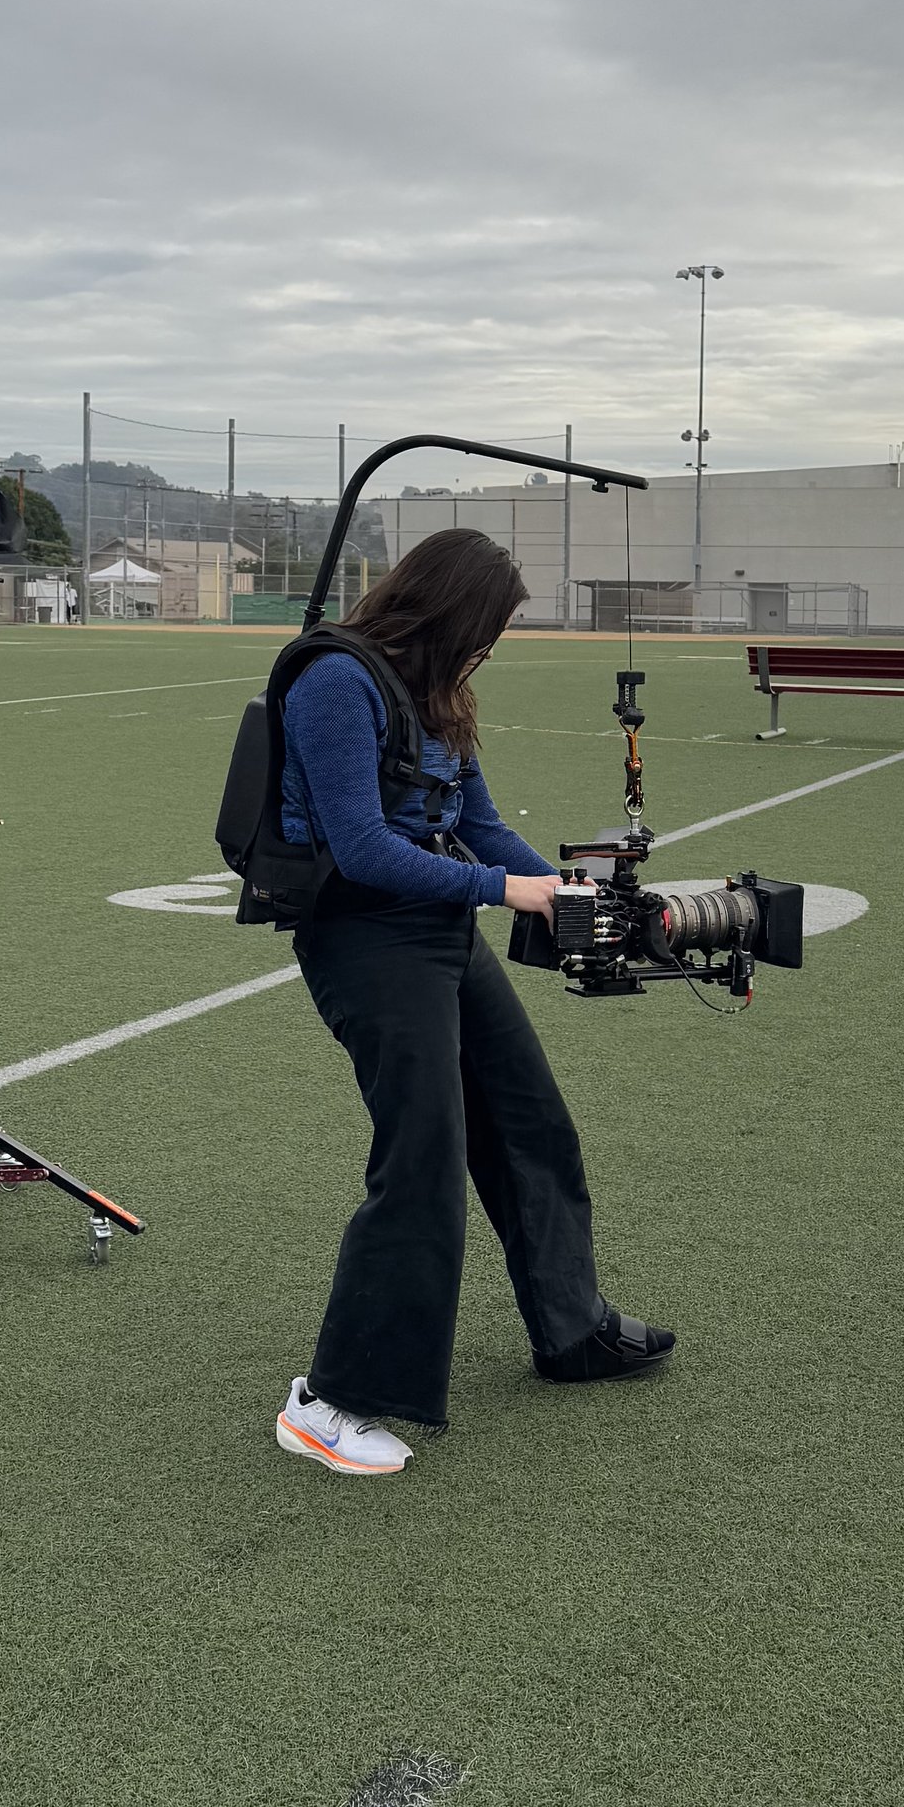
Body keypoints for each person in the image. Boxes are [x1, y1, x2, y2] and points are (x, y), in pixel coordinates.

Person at [273, 526, 672, 1478]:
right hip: (364, 940)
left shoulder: (436, 687)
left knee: (531, 1123)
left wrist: (576, 891)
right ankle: (329, 1402)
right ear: (448, 611)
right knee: (421, 1161)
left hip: (440, 929)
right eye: (484, 629)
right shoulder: (334, 681)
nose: (487, 648)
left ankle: (572, 1329)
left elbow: (481, 826)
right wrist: (506, 891)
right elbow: (362, 848)